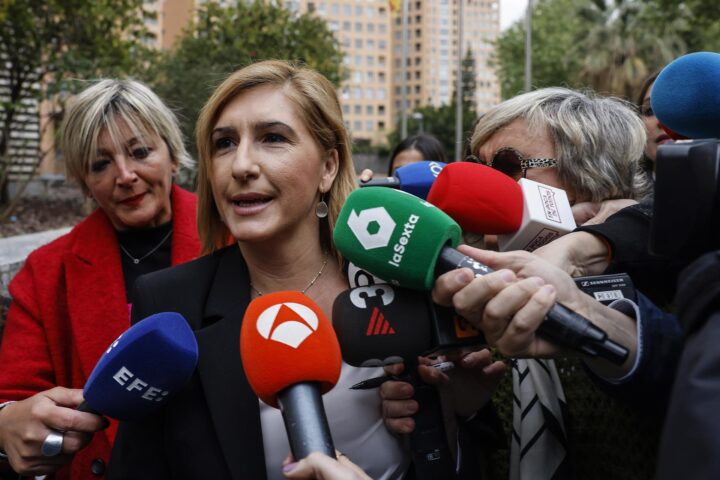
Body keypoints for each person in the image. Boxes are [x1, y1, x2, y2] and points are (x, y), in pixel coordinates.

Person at [106, 60, 492, 480]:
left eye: (273, 138)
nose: (241, 165)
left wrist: (453, 413)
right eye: (224, 143)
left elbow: (475, 452)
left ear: (328, 167)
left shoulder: (406, 282)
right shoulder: (169, 303)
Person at [0, 79, 201, 478]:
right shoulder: (47, 272)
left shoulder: (234, 237)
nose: (125, 175)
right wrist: (6, 422)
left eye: (140, 152)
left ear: (173, 157)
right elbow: (15, 396)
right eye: (100, 164)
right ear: (86, 184)